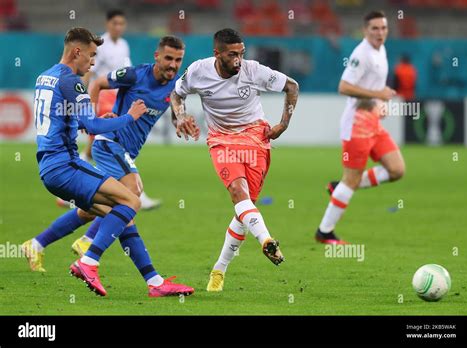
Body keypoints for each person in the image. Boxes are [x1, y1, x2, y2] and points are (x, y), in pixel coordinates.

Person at [21, 28, 194, 298]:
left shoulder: (46, 76)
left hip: (51, 164)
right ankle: (88, 259)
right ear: (76, 51)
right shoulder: (72, 82)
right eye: (91, 55)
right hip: (65, 164)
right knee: (131, 201)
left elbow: (75, 118)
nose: (93, 62)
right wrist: (129, 117)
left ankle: (154, 282)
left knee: (120, 215)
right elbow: (90, 124)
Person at [170, 28, 299, 292]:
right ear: (217, 54)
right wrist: (180, 115)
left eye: (241, 53)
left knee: (244, 209)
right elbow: (176, 93)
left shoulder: (253, 71)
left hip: (256, 139)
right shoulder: (198, 71)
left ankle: (219, 269)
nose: (238, 59)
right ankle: (266, 241)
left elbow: (292, 86)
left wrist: (283, 124)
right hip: (221, 140)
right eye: (232, 54)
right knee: (239, 194)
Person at [315, 11, 405, 244]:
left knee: (396, 170)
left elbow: (373, 86)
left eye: (383, 28)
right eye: (375, 28)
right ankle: (324, 231)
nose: (380, 33)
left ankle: (340, 187)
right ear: (365, 30)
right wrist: (378, 94)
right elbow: (344, 87)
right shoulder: (361, 54)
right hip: (356, 125)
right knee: (352, 179)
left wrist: (379, 103)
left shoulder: (380, 50)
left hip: (372, 122)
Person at [56, 9, 161, 210]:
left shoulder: (123, 45)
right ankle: (133, 189)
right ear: (108, 24)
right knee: (105, 138)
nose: (119, 27)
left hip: (117, 96)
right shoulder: (98, 45)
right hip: (102, 93)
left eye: (122, 24)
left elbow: (128, 74)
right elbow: (90, 72)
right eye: (115, 23)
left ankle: (84, 181)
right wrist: (85, 99)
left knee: (110, 142)